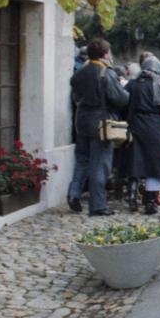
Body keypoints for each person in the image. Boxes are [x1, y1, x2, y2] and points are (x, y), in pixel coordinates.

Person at [68, 38, 130, 216]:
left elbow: (75, 96)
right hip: (100, 121)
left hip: (81, 119)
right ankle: (98, 205)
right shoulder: (105, 72)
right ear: (105, 54)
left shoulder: (80, 72)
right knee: (100, 163)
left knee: (82, 160)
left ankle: (74, 194)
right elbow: (120, 98)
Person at [124, 56, 160, 215]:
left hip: (135, 125)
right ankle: (150, 202)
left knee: (135, 162)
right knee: (154, 166)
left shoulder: (132, 84)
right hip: (155, 126)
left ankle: (132, 196)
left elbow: (123, 103)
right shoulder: (159, 85)